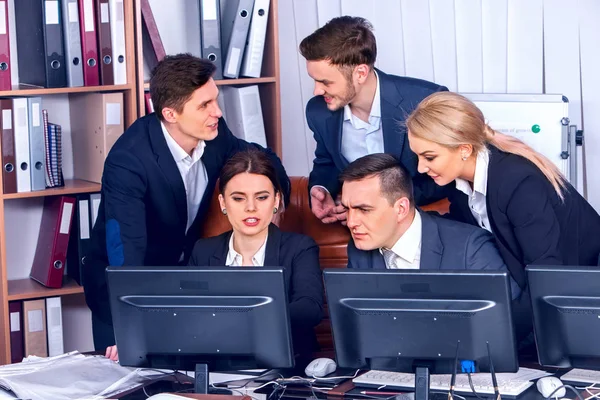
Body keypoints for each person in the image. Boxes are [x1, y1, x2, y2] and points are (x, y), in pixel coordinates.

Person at [85, 54, 291, 354]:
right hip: (121, 291)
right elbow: (126, 252)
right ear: (171, 114)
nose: (217, 112)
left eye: (215, 100)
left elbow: (260, 157)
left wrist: (278, 197)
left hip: (180, 279)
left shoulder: (214, 136)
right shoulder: (129, 160)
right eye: (204, 105)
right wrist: (129, 326)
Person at [405, 91, 600, 291]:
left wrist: (501, 316)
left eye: (429, 157)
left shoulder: (517, 183)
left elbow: (546, 275)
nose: (421, 168)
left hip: (585, 292)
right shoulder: (459, 184)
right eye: (417, 157)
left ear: (464, 149)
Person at [339, 154, 531, 345]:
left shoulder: (471, 249)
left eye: (364, 210)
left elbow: (509, 328)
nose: (351, 222)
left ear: (401, 209)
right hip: (390, 371)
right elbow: (359, 331)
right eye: (347, 209)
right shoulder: (359, 250)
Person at [299, 16, 451, 225]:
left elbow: (448, 174)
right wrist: (321, 188)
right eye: (314, 80)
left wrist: (374, 203)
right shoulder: (318, 111)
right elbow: (326, 162)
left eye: (326, 82)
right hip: (357, 231)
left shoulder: (426, 100)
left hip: (416, 221)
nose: (317, 90)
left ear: (360, 73)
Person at [187, 149, 323, 367]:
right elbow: (189, 314)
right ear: (223, 203)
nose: (251, 207)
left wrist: (247, 317)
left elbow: (310, 308)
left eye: (262, 197)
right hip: (219, 368)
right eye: (238, 198)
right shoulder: (203, 250)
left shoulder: (299, 248)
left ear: (276, 200)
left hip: (285, 371)